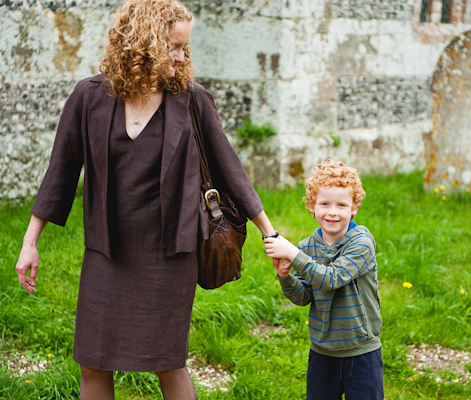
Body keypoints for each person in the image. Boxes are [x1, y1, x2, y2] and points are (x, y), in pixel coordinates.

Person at [14, 0, 279, 398]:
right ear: (144, 42)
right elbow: (60, 172)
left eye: (185, 47)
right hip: (107, 250)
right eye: (174, 45)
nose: (182, 55)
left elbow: (230, 169)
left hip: (169, 253)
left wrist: (271, 236)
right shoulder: (89, 97)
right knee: (93, 362)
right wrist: (30, 241)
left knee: (168, 364)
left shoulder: (191, 99)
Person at [263, 159, 384, 400]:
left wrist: (294, 255)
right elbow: (304, 296)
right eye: (324, 203)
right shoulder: (307, 247)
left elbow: (333, 278)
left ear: (354, 207)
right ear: (311, 206)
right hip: (322, 351)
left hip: (361, 352)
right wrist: (285, 277)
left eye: (341, 205)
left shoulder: (361, 242)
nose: (332, 212)